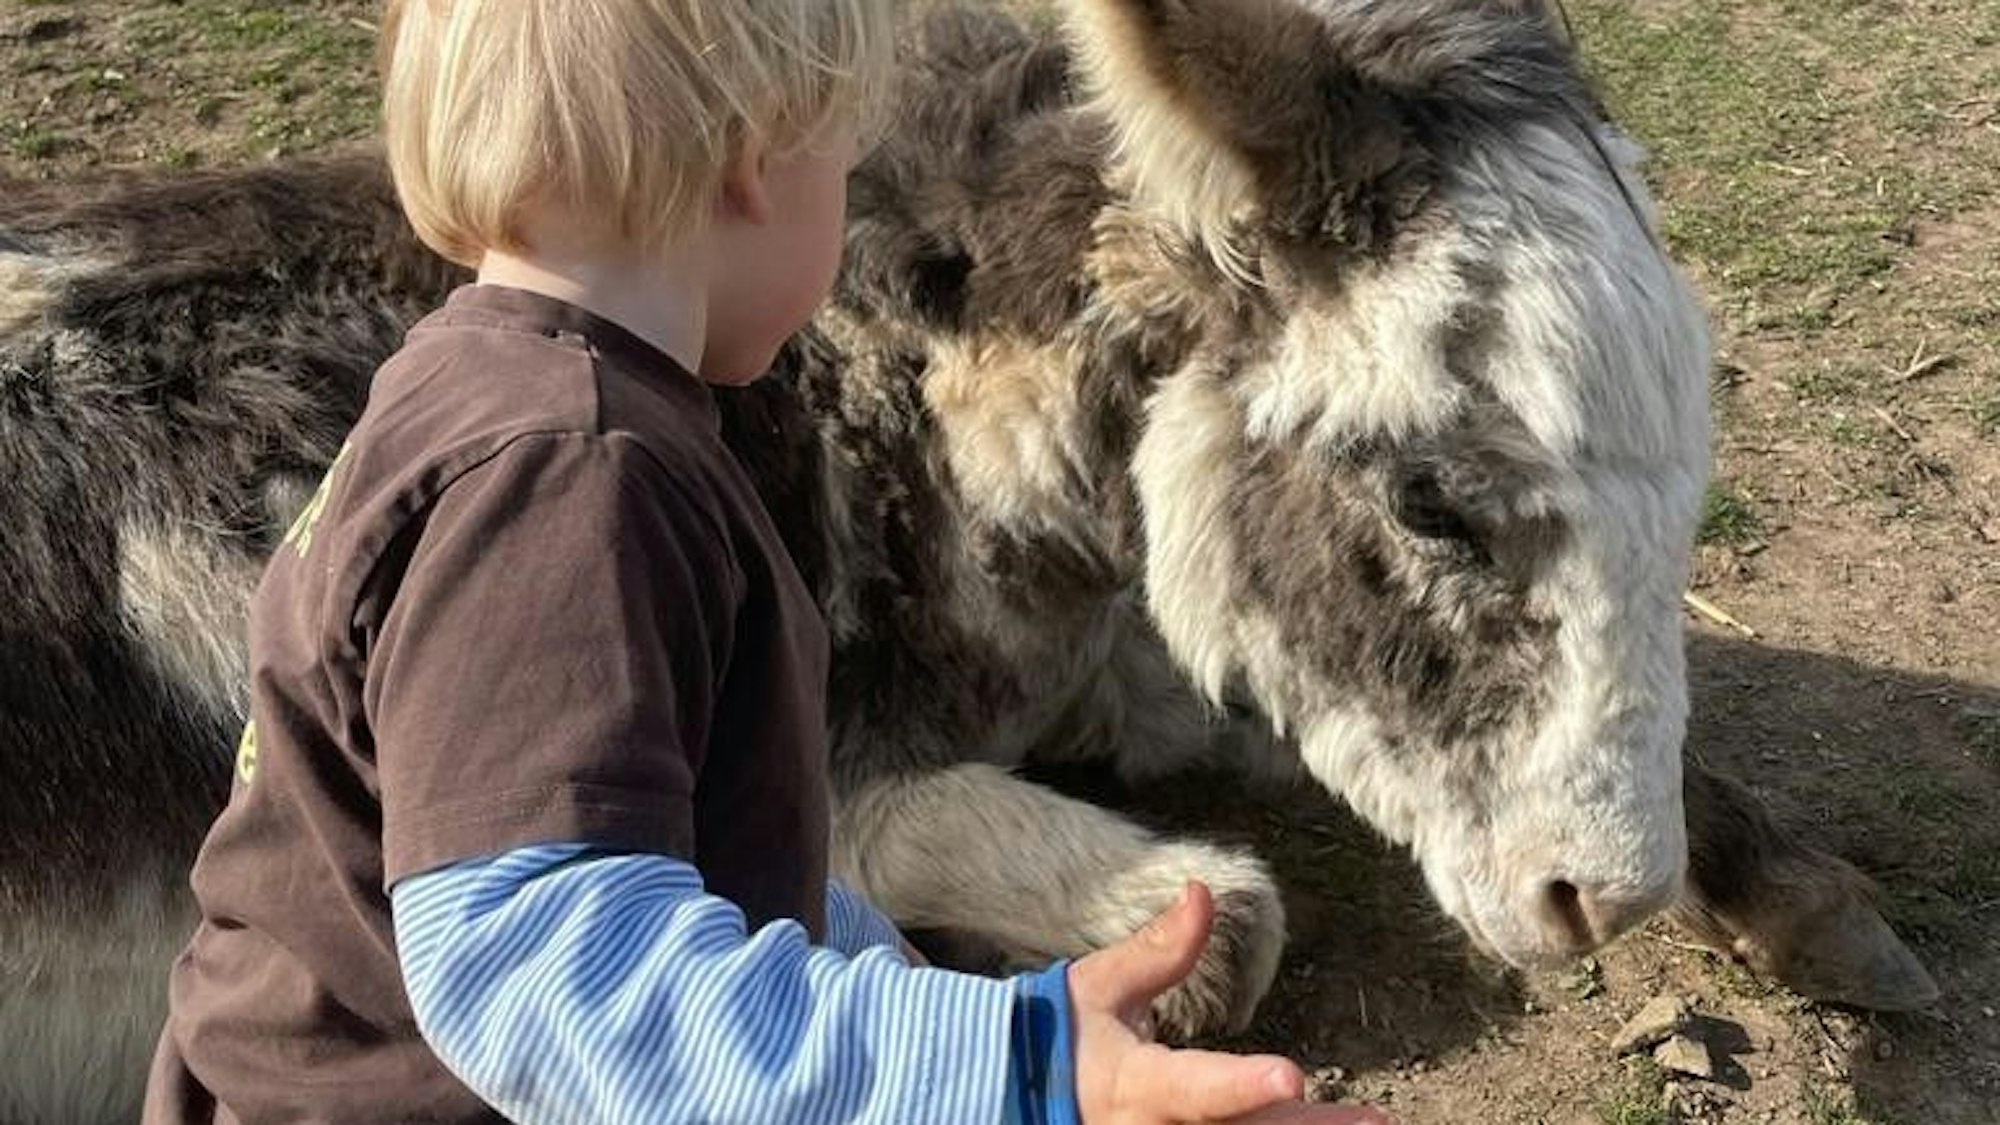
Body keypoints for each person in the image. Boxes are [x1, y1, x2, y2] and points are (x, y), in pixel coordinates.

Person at [143, 1, 1390, 1122]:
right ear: (755, 162)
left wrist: (950, 1017)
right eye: (848, 165)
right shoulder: (564, 483)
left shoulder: (464, 395)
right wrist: (1006, 1071)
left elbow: (715, 865)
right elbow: (558, 976)